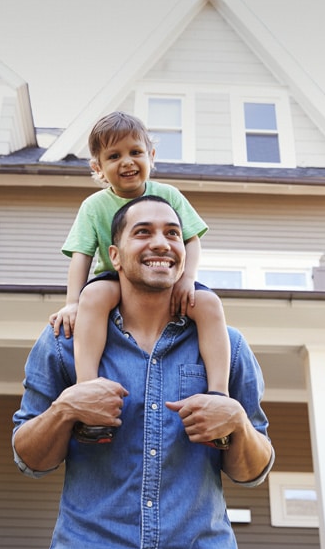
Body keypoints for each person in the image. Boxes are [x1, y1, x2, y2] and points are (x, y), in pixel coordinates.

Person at [13, 196, 274, 549]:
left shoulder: (227, 345)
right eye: (143, 232)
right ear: (114, 256)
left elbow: (253, 470)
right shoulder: (64, 343)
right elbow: (28, 458)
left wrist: (237, 421)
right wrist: (66, 409)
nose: (162, 242)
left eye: (172, 233)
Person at [49, 112, 230, 440]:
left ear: (151, 156)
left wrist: (188, 279)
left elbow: (191, 239)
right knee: (95, 296)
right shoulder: (93, 206)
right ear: (98, 168)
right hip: (114, 278)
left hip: (166, 277)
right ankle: (88, 391)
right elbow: (81, 256)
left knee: (208, 303)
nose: (127, 162)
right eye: (114, 156)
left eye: (135, 152)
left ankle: (219, 396)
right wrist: (72, 303)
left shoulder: (169, 195)